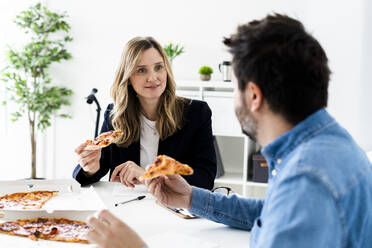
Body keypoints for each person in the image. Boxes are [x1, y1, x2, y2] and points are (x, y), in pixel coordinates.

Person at [86, 14, 372, 248]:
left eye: (234, 86)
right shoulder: (330, 146)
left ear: (254, 96)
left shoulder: (306, 180)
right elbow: (270, 214)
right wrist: (190, 198)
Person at [73, 37, 216, 190]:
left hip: (175, 209)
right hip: (127, 206)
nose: (153, 78)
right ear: (128, 78)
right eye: (141, 70)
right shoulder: (115, 115)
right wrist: (91, 168)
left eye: (159, 67)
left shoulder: (197, 113)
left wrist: (149, 175)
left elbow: (205, 178)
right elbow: (90, 174)